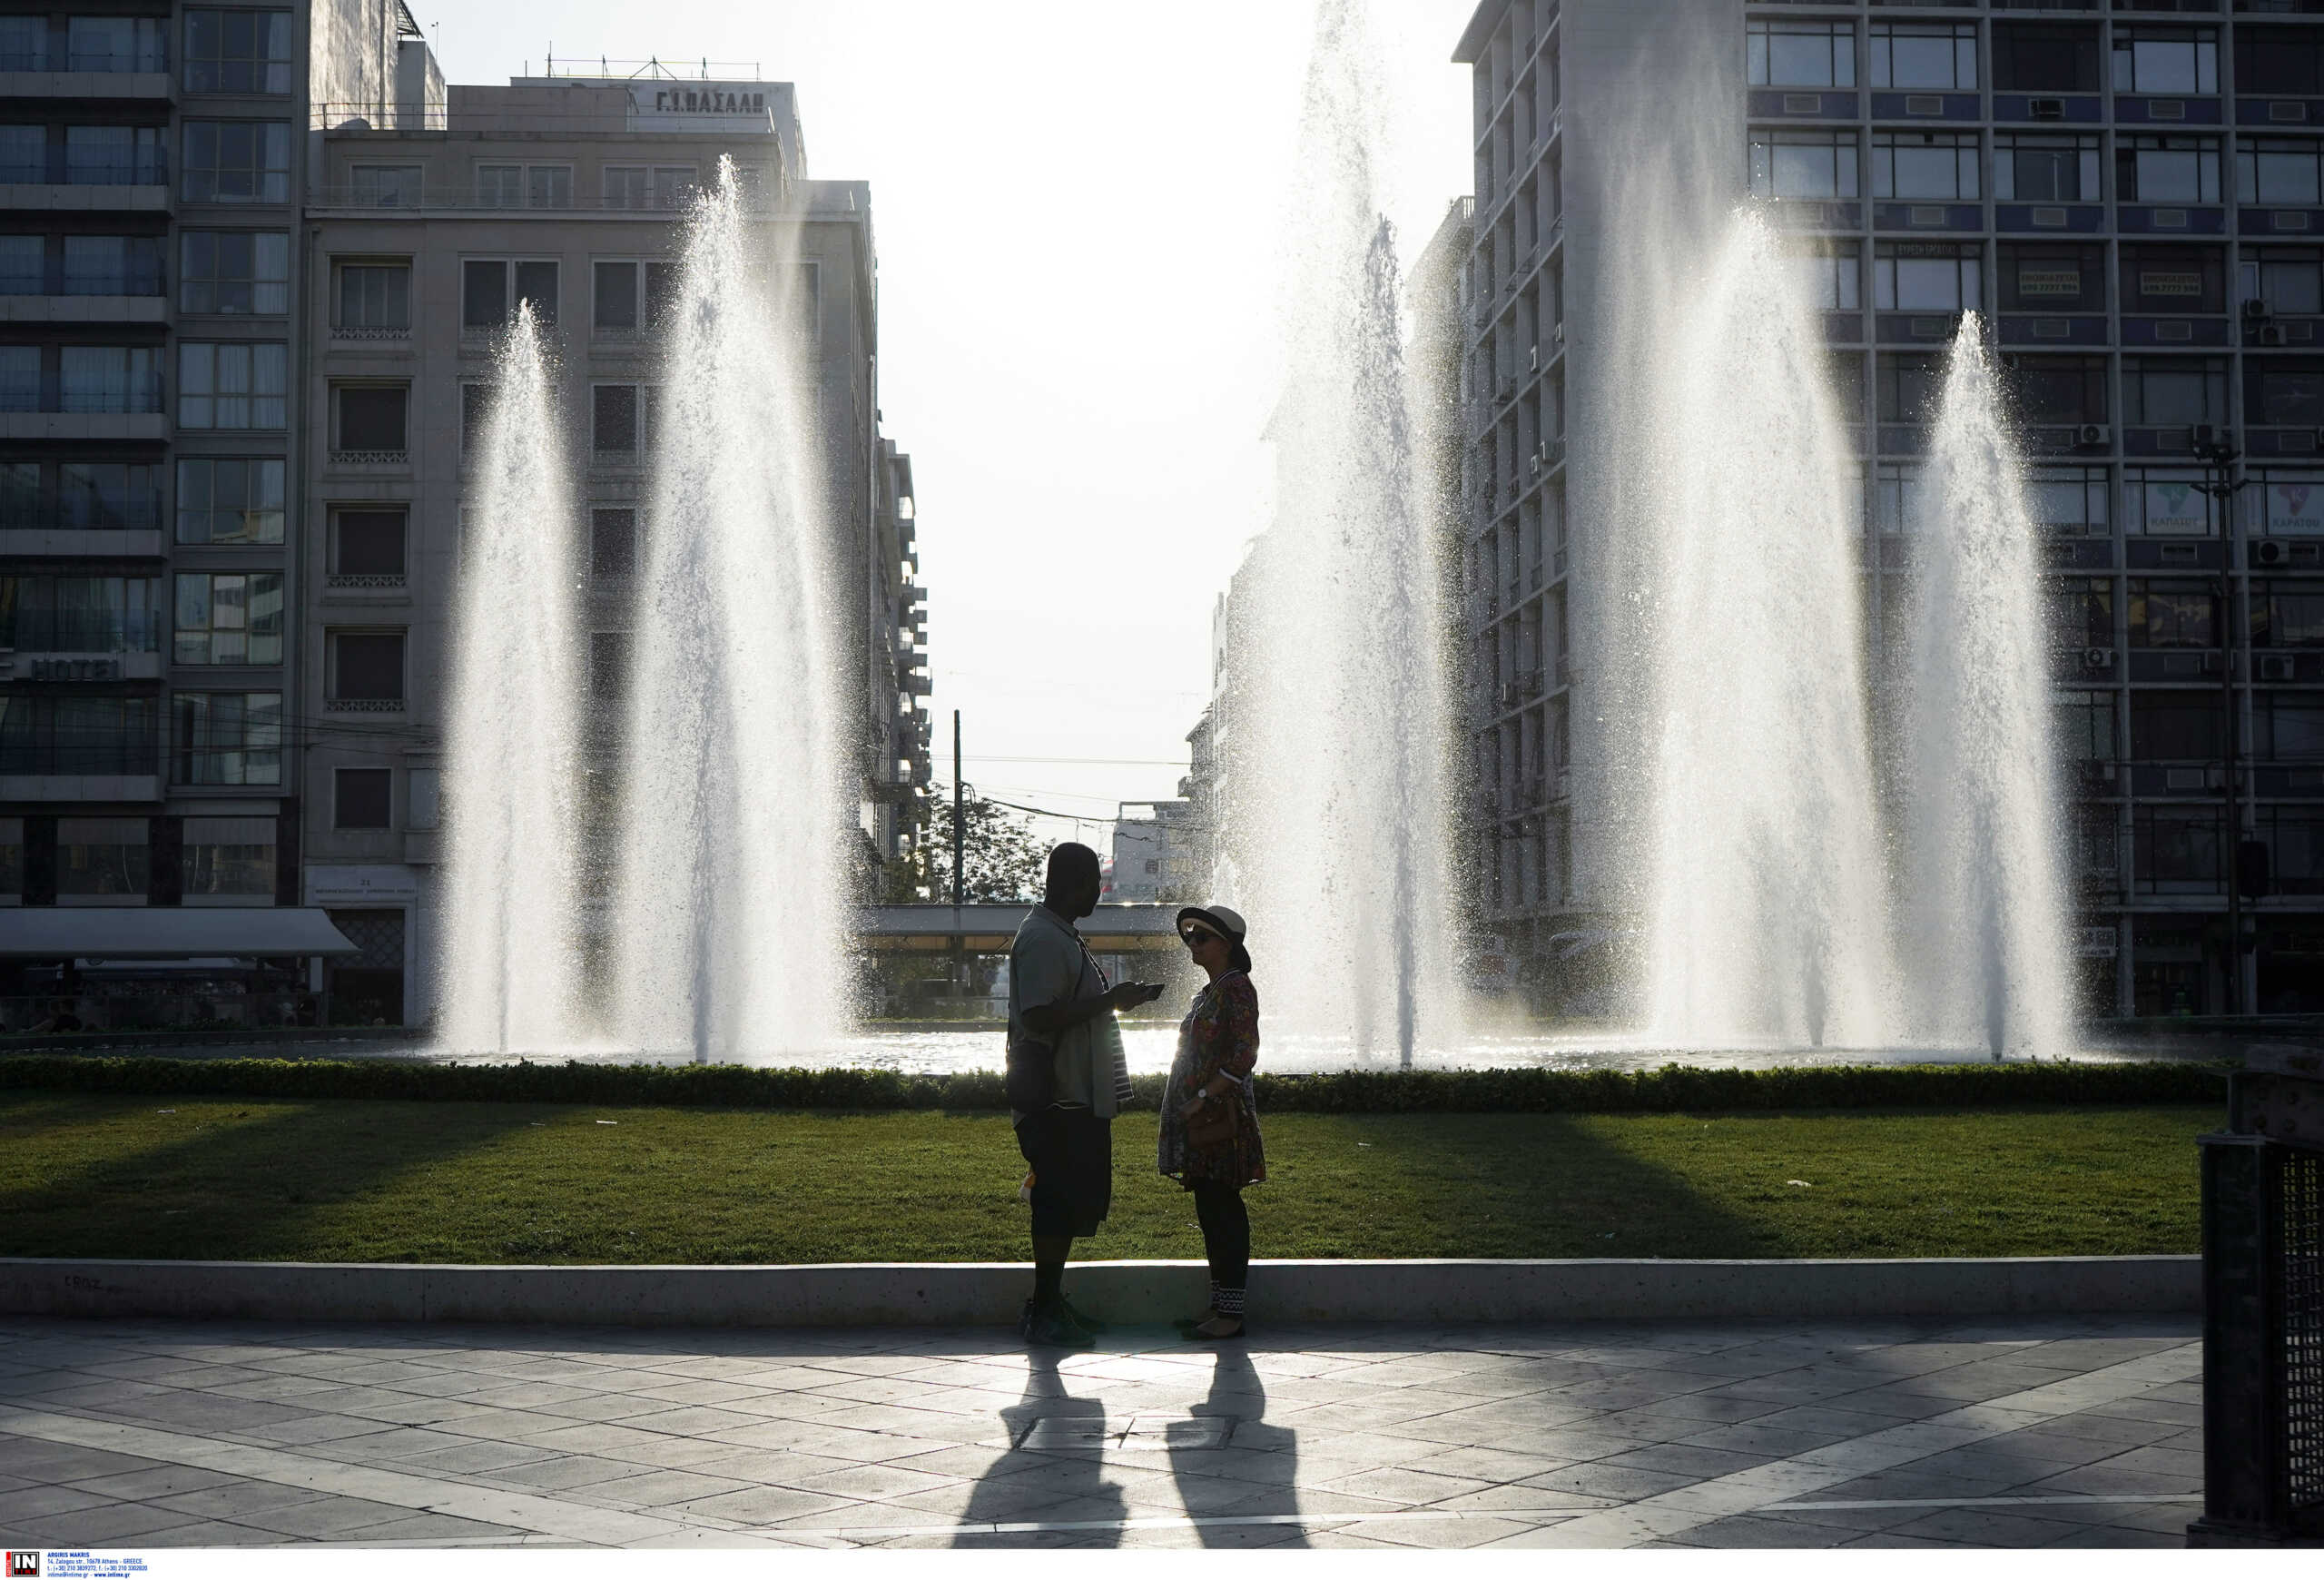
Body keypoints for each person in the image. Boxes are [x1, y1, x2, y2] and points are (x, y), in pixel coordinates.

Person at [1008, 842, 1163, 1348]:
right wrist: (1109, 1001)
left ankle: (1049, 1303)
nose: (1099, 890)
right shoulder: (1045, 940)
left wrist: (1115, 1003)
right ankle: (1045, 1311)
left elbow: (1072, 1009)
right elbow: (1037, 1016)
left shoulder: (1062, 935)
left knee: (1068, 1201)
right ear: (1069, 882)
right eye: (1094, 881)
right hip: (1057, 1099)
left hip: (1073, 1098)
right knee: (1054, 1202)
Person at [1158, 904, 1264, 1339]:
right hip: (1201, 1119)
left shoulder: (1236, 988)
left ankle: (1231, 1314)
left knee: (1223, 1210)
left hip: (1220, 1120)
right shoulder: (1211, 990)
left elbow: (1244, 1054)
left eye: (1202, 937)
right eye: (1190, 937)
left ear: (1227, 945)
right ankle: (1220, 1307)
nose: (1193, 945)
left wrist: (1201, 1097)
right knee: (1209, 1208)